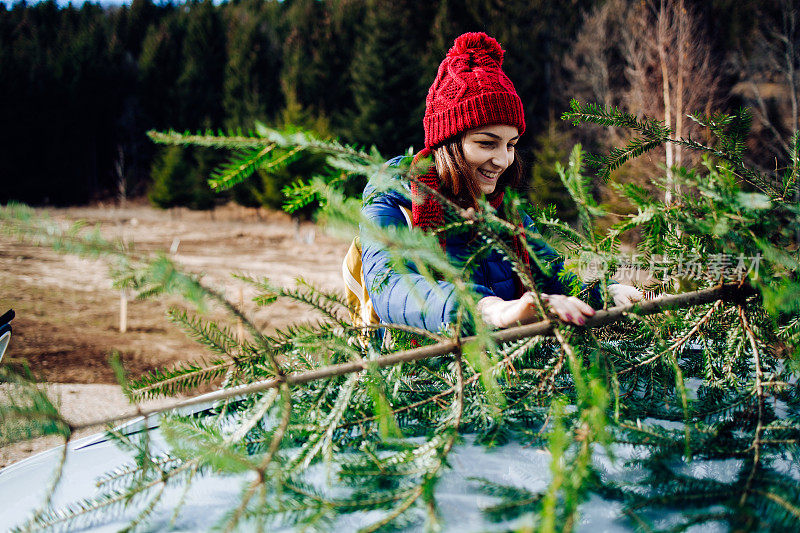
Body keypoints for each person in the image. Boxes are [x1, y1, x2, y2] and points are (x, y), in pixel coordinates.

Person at [360, 32, 641, 334]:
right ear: (447, 143)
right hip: (424, 376)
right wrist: (491, 309)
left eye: (510, 145)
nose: (503, 160)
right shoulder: (393, 201)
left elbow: (551, 273)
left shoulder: (507, 213)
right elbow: (390, 286)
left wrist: (606, 292)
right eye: (487, 143)